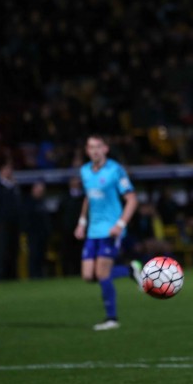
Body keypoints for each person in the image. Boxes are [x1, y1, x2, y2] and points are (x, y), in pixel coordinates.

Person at [74, 135, 142, 331]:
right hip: (93, 230)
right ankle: (130, 270)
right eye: (90, 147)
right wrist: (82, 222)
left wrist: (120, 224)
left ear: (105, 149)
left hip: (111, 229)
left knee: (102, 274)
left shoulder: (115, 170)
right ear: (87, 151)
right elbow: (89, 196)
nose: (94, 151)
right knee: (88, 275)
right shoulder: (85, 171)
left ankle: (112, 319)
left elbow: (132, 199)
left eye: (98, 147)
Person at [0, 163, 22, 280]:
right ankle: (1, 277)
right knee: (2, 251)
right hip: (3, 224)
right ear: (1, 171)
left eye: (10, 169)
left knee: (14, 250)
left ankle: (13, 276)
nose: (9, 172)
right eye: (6, 169)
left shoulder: (14, 186)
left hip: (15, 223)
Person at [22, 181, 52, 278]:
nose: (40, 192)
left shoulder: (42, 202)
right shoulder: (28, 203)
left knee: (41, 256)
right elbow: (26, 220)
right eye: (38, 190)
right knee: (34, 256)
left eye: (42, 190)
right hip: (33, 234)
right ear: (33, 190)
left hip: (43, 235)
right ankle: (33, 276)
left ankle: (41, 275)